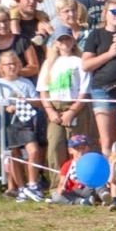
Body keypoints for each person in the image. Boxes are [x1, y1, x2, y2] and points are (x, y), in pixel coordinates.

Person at [81, 1, 116, 154]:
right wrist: (109, 54)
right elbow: (86, 65)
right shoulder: (96, 34)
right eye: (114, 12)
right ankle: (109, 176)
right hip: (102, 89)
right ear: (105, 13)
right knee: (106, 140)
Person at [0, 50, 46, 201]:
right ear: (1, 67)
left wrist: (25, 100)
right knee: (14, 156)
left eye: (14, 64)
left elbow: (37, 102)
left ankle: (32, 184)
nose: (12, 67)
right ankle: (21, 188)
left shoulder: (26, 83)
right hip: (7, 123)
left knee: (33, 151)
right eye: (8, 65)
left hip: (24, 123)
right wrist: (5, 108)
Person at [37, 23, 88, 171]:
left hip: (75, 107)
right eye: (61, 40)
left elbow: (84, 90)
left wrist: (72, 111)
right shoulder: (49, 63)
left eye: (67, 39)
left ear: (73, 41)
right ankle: (57, 185)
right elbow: (43, 90)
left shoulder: (79, 62)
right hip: (54, 107)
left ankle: (79, 182)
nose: (64, 43)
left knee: (78, 147)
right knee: (55, 146)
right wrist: (50, 111)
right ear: (56, 43)